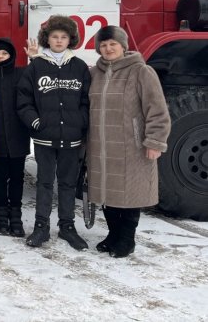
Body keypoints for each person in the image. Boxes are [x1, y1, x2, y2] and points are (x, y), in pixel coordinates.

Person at [87, 26, 171, 258]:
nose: (108, 48)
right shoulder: (95, 73)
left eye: (113, 44)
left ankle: (127, 239)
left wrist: (154, 141)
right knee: (107, 192)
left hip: (132, 146)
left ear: (123, 46)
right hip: (101, 146)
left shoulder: (141, 72)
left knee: (130, 192)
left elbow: (157, 110)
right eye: (103, 45)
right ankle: (113, 234)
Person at [17, 15, 91, 251]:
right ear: (47, 39)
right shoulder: (36, 65)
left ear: (70, 39)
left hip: (71, 137)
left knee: (68, 184)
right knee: (45, 183)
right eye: (54, 36)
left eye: (63, 37)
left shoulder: (79, 66)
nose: (59, 41)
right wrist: (35, 122)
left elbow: (87, 101)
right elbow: (23, 100)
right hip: (44, 136)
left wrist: (80, 122)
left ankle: (67, 226)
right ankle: (41, 227)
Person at [0, 37, 31, 237]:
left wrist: (36, 59)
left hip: (18, 135)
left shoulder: (22, 74)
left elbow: (39, 80)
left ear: (11, 55)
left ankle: (16, 216)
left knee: (17, 178)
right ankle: (1, 215)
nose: (1, 57)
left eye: (4, 53)